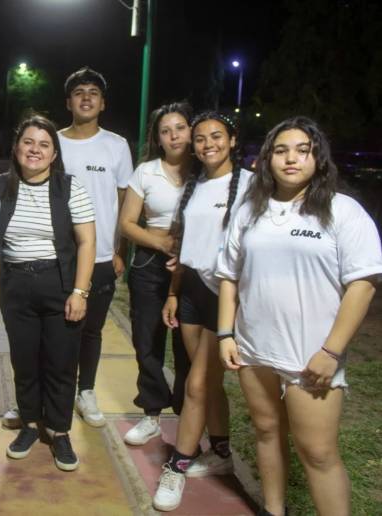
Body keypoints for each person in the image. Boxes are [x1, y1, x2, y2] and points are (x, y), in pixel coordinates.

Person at [217, 117, 382, 516]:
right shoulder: (250, 211)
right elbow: (229, 276)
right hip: (254, 351)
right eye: (281, 150)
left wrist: (331, 351)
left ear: (318, 158)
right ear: (268, 158)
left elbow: (363, 285)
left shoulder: (342, 211)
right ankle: (274, 510)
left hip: (312, 357)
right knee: (267, 432)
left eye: (302, 150)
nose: (291, 158)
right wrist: (226, 333)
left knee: (319, 453)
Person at [2, 67, 133, 430]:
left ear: (103, 102)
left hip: (100, 252)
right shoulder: (50, 142)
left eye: (93, 92)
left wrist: (119, 250)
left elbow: (122, 202)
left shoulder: (117, 145)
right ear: (68, 102)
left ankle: (85, 391)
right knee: (46, 337)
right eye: (79, 92)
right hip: (57, 258)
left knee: (89, 331)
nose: (86, 97)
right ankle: (33, 402)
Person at [153, 111, 253, 511]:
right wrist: (174, 293)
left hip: (227, 295)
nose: (207, 144)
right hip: (192, 289)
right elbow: (185, 246)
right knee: (207, 382)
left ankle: (177, 465)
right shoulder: (195, 185)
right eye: (200, 138)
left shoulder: (250, 184)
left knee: (195, 385)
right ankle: (222, 452)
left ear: (232, 140)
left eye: (216, 136)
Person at [0, 115, 95, 472]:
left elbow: (86, 242)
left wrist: (80, 292)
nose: (34, 149)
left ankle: (60, 430)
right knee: (24, 360)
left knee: (61, 362)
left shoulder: (70, 187)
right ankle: (31, 424)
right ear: (17, 147)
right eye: (28, 142)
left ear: (54, 154)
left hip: (60, 283)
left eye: (44, 144)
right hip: (15, 285)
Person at [119, 102, 193, 445]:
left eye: (179, 127)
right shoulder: (146, 171)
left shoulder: (206, 171)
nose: (173, 135)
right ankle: (151, 414)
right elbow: (127, 223)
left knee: (188, 347)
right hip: (150, 264)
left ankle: (188, 419)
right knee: (147, 341)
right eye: (166, 130)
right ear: (157, 138)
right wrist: (161, 243)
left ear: (191, 131)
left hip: (194, 267)